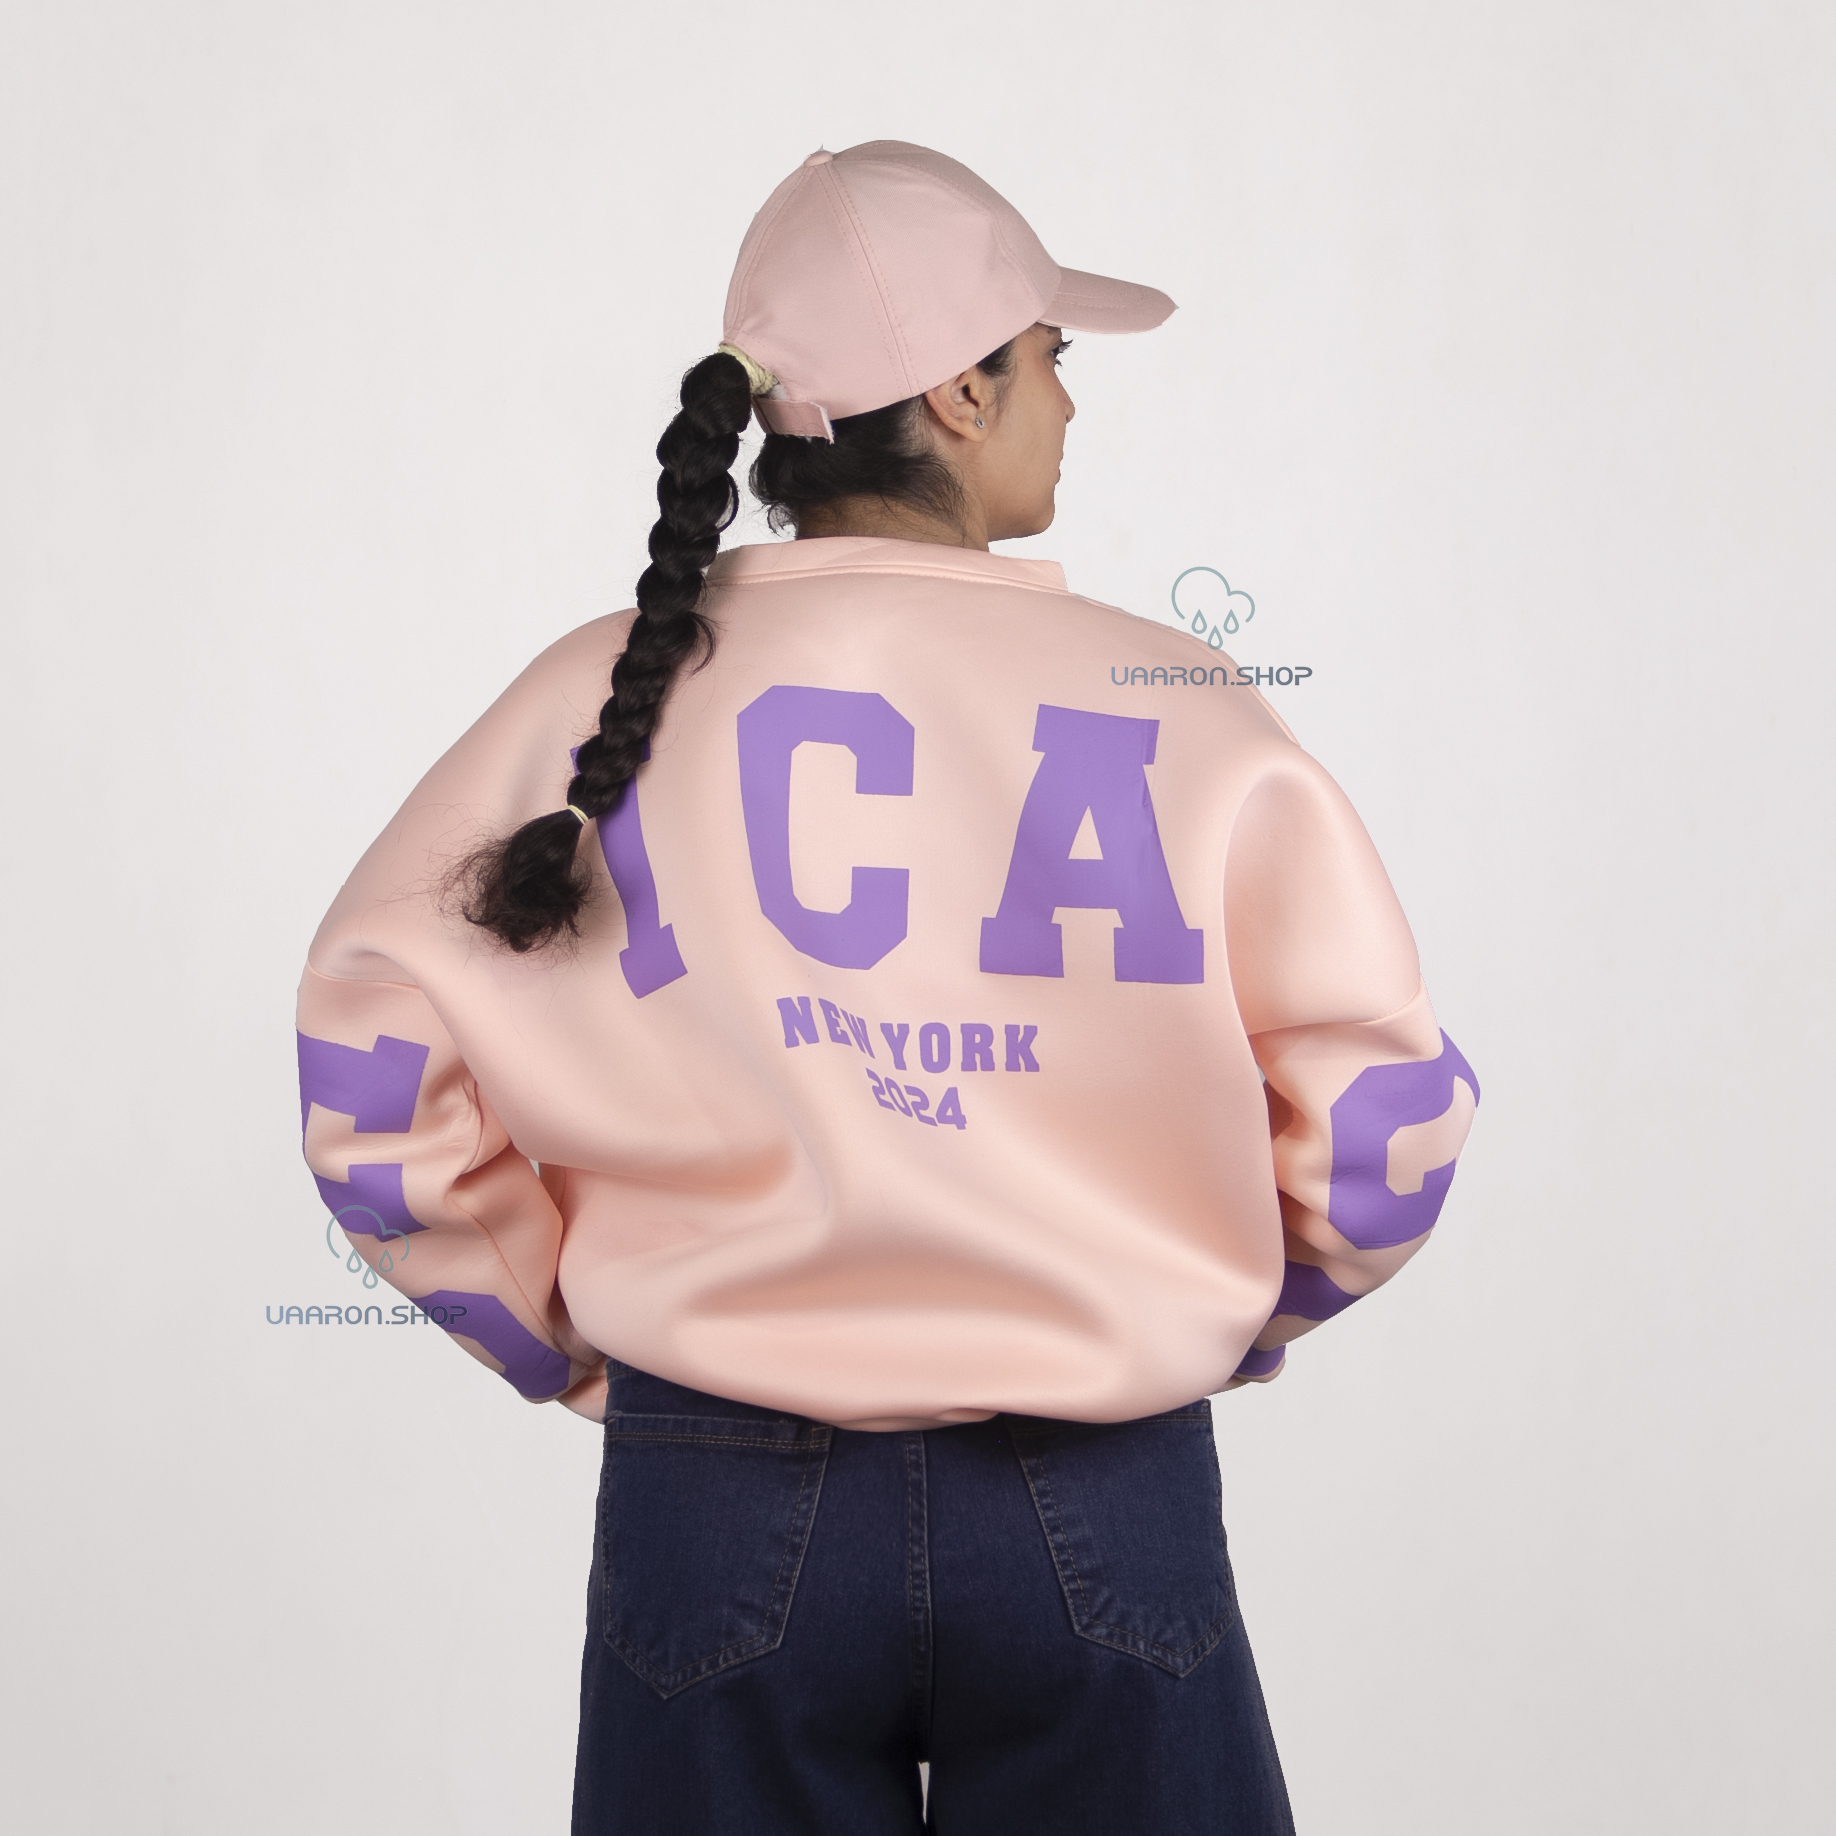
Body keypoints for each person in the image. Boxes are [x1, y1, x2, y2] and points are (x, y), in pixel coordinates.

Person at [296, 140, 1478, 1835]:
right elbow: (1387, 1127)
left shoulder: (590, 700)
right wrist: (1216, 1306)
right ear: (960, 393)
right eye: (1051, 355)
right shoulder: (1180, 702)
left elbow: (367, 1078)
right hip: (1098, 1485)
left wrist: (562, 1333)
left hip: (715, 1494)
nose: (1072, 397)